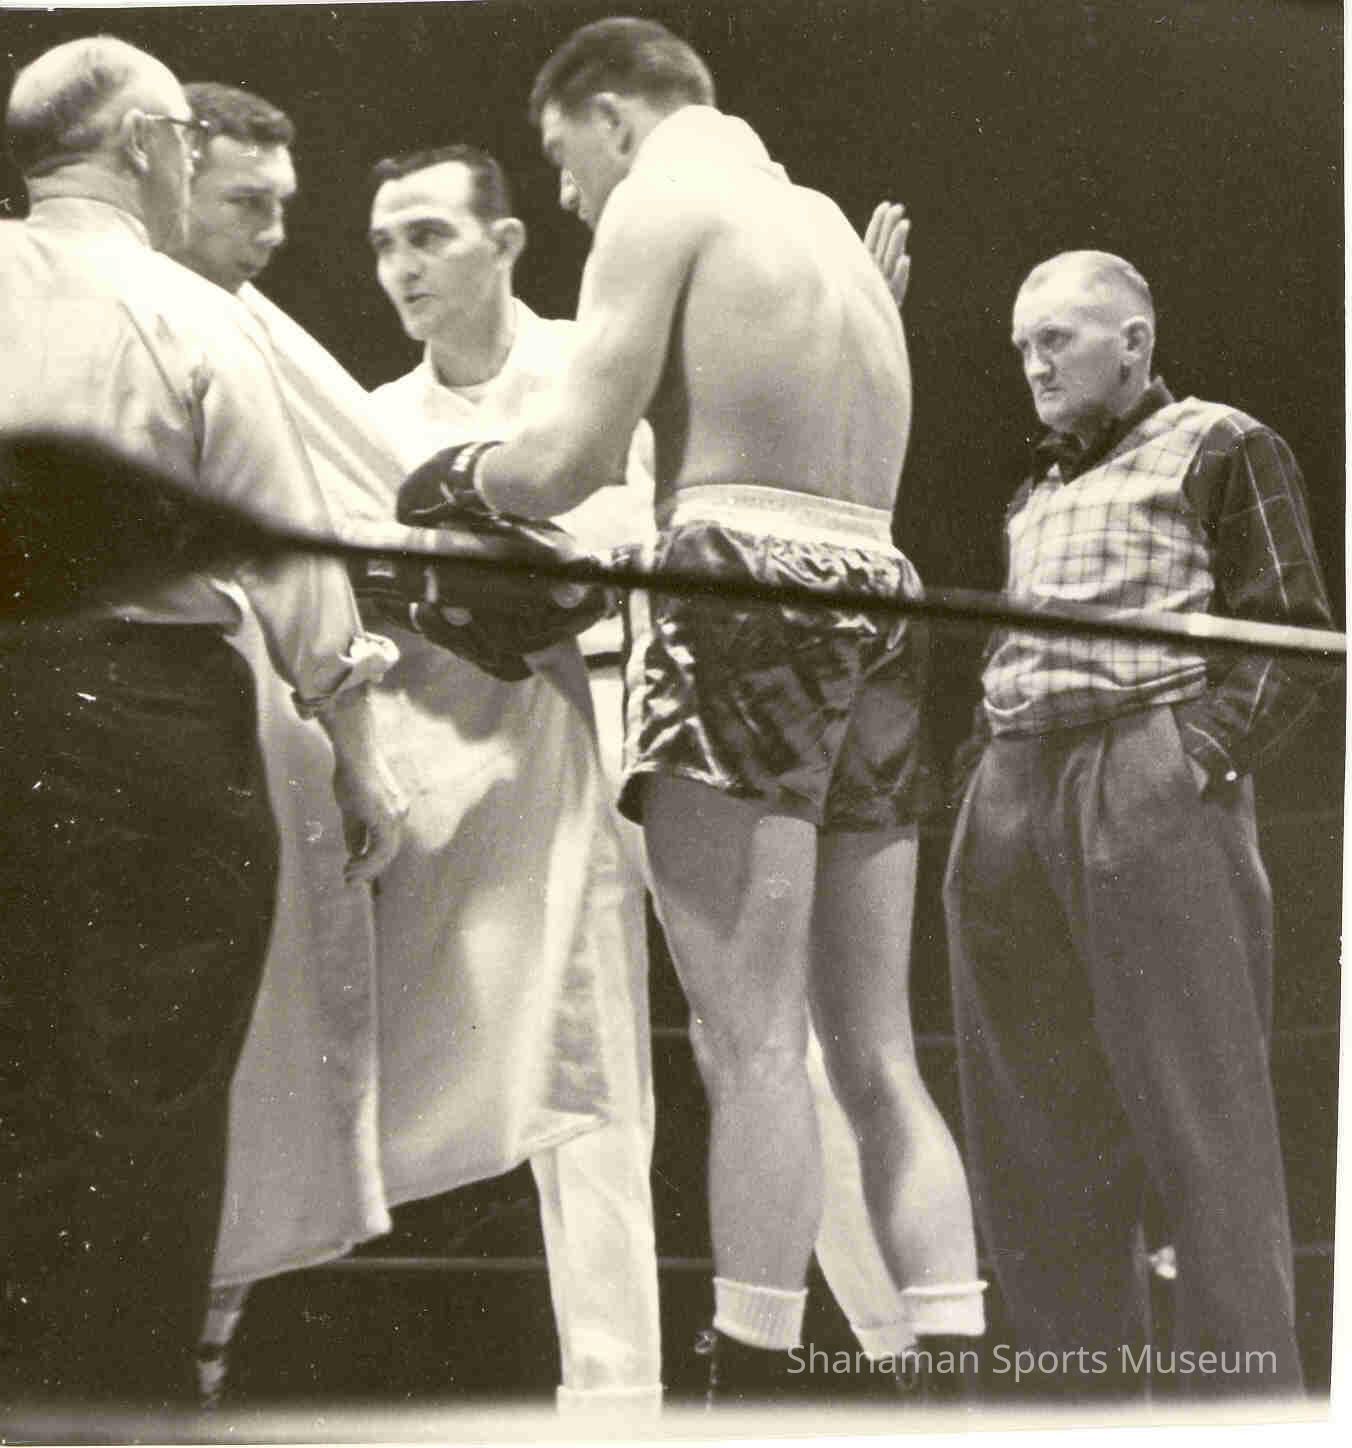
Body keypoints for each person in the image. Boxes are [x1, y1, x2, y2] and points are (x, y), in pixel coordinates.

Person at [396, 18, 986, 1399]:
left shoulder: (663, 197)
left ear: (612, 114)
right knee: (877, 1054)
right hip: (884, 587)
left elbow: (566, 458)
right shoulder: (824, 228)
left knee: (752, 1041)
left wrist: (453, 477)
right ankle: (959, 1391)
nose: (567, 195)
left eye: (563, 159)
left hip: (742, 590)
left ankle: (750, 1396)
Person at [170, 87, 661, 1414]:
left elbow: (628, 543)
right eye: (384, 242)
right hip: (441, 761)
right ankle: (202, 1353)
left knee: (639, 1083)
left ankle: (649, 1405)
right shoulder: (370, 417)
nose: (400, 265)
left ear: (506, 242)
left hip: (606, 746)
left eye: (429, 235)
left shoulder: (591, 370)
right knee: (420, 1058)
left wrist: (484, 555)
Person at [0, 38, 403, 1405]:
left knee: (18, 1082)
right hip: (140, 713)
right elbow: (286, 548)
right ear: (147, 144)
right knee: (147, 1086)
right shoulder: (183, 308)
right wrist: (358, 750)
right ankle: (120, 1417)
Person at [942, 250, 1332, 1401]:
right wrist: (980, 780)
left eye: (1054, 339)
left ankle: (1243, 1417)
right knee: (1030, 1141)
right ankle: (1080, 1415)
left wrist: (1188, 760)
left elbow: (1292, 632)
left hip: (1143, 774)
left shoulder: (1221, 441)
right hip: (1012, 789)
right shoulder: (1032, 489)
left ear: (1132, 340)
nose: (1031, 365)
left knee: (1204, 1127)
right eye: (1020, 347)